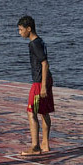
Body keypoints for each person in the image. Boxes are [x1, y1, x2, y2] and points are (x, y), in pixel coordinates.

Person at [17, 15, 53, 154]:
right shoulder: (40, 41)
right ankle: (45, 144)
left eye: (21, 30)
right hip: (45, 79)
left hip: (39, 82)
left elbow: (44, 63)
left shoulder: (34, 44)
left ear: (29, 29)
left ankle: (35, 146)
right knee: (44, 111)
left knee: (31, 112)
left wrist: (43, 85)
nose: (20, 33)